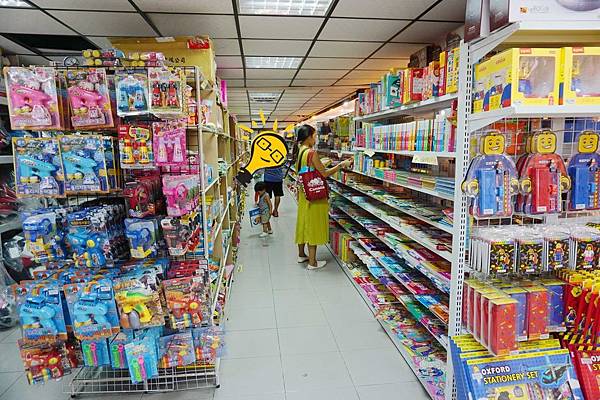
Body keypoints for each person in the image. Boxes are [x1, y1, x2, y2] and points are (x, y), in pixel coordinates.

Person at [294, 125, 353, 270]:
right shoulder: (311, 152)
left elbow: (305, 169)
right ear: (308, 137)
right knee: (312, 225)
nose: (315, 139)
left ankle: (301, 254)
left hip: (304, 193)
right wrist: (340, 165)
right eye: (314, 136)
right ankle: (312, 262)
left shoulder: (300, 151)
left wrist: (321, 164)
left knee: (303, 222)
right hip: (314, 195)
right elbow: (324, 174)